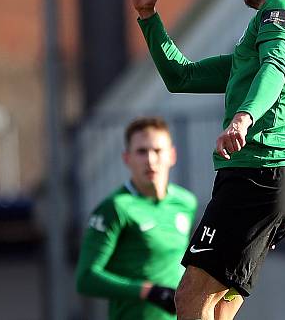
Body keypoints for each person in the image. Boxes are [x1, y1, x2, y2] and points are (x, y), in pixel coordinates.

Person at [118, 0, 285, 320]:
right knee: (217, 309)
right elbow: (180, 77)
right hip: (276, 177)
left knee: (190, 298)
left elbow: (275, 68)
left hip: (258, 173)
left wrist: (243, 117)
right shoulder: (273, 37)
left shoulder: (283, 6)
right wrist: (148, 17)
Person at [75, 116, 198, 320]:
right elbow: (86, 278)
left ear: (172, 155)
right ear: (127, 158)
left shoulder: (186, 203)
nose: (150, 160)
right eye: (142, 152)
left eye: (157, 151)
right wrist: (147, 291)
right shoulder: (115, 207)